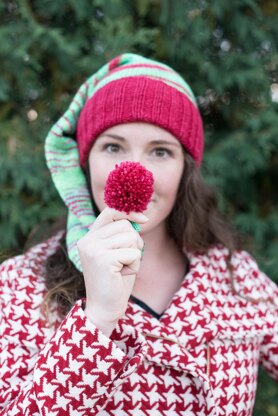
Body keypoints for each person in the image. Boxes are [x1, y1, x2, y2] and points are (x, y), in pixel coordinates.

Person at [0, 53, 277, 416]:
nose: (135, 172)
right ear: (86, 163)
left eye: (160, 151)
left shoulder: (234, 275)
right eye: (113, 147)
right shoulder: (18, 286)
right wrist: (96, 319)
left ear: (185, 170)